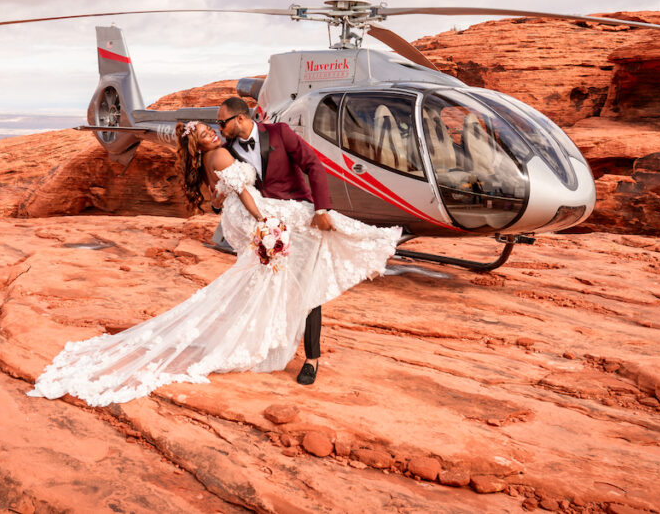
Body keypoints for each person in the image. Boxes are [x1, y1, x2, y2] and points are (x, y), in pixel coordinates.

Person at [27, 119, 400, 407]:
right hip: (260, 214)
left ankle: (292, 346)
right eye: (206, 132)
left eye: (213, 128)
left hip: (256, 214)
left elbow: (232, 193)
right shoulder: (222, 152)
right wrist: (263, 221)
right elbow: (240, 191)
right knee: (302, 264)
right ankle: (370, 245)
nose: (213, 133)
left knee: (284, 278)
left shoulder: (238, 147)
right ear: (199, 142)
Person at [216, 97, 333, 385]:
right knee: (269, 288)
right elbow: (231, 193)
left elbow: (313, 165)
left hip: (301, 220)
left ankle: (311, 359)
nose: (219, 128)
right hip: (268, 229)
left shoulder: (280, 133)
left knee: (308, 288)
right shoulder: (228, 151)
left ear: (240, 119)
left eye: (222, 122)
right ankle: (269, 346)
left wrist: (321, 209)